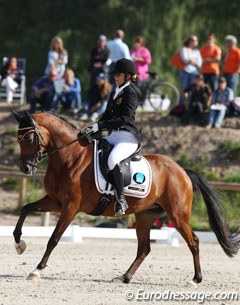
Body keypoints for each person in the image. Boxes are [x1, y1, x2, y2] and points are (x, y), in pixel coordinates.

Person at [82, 58, 141, 216]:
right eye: (114, 74)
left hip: (127, 137)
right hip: (114, 135)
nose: (115, 77)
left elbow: (126, 119)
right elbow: (106, 116)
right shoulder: (116, 92)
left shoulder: (131, 93)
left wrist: (100, 126)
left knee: (112, 159)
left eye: (119, 74)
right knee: (93, 150)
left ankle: (121, 199)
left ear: (128, 75)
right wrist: (92, 127)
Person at [179, 35, 202, 104]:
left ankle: (191, 105)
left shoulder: (196, 51)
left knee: (193, 89)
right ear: (190, 41)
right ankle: (182, 105)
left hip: (194, 72)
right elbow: (185, 60)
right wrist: (193, 62)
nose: (197, 42)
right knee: (184, 89)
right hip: (185, 71)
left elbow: (199, 63)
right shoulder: (184, 49)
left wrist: (192, 61)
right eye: (195, 40)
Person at [88, 35, 110, 108]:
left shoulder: (107, 50)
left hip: (103, 72)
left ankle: (102, 106)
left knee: (104, 89)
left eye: (102, 41)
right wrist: (98, 61)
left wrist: (99, 62)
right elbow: (92, 60)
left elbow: (106, 60)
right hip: (94, 72)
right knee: (93, 88)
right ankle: (91, 106)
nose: (101, 43)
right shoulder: (94, 50)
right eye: (100, 41)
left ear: (105, 42)